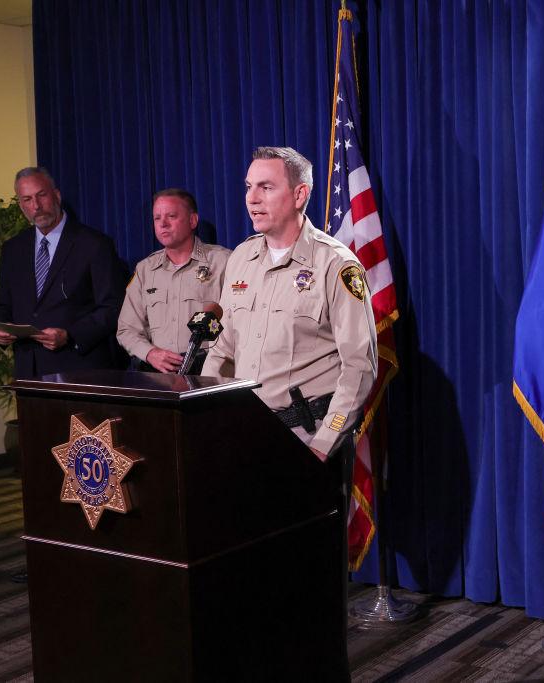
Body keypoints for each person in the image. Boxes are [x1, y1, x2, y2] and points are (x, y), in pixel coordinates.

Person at [201, 146, 375, 679]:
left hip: (306, 444)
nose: (252, 198)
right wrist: (202, 411)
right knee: (251, 572)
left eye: (267, 187)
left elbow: (361, 367)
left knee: (308, 582)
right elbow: (221, 344)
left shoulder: (335, 264)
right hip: (245, 439)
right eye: (249, 186)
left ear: (299, 194)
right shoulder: (240, 258)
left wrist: (325, 443)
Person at [0, 167, 127, 379]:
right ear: (21, 206)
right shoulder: (13, 249)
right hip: (29, 372)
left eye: (41, 195)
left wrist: (70, 335)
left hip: (80, 370)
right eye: (27, 199)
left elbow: (113, 307)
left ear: (57, 195)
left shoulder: (94, 244)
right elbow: (3, 306)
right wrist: (2, 330)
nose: (36, 206)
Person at [116, 189, 230, 373]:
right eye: (157, 218)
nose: (163, 224)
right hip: (159, 375)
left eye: (171, 216)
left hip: (209, 372)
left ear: (193, 220)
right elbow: (126, 329)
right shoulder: (145, 270)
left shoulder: (223, 262)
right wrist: (150, 353)